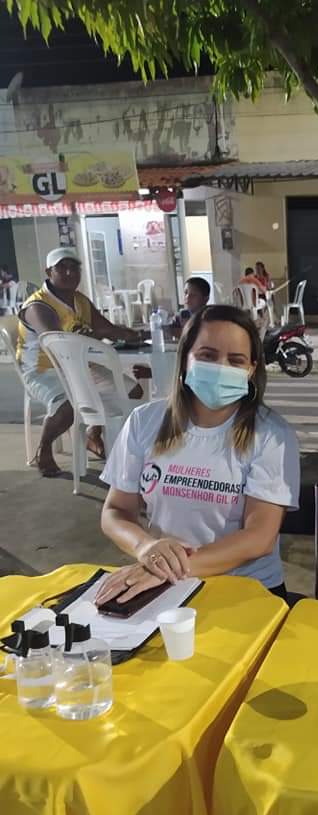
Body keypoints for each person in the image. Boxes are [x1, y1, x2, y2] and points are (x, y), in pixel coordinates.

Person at [95, 304, 300, 605]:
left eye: (236, 360)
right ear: (185, 359)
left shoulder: (272, 435)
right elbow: (115, 512)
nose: (220, 367)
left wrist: (171, 568)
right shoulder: (145, 422)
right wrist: (145, 548)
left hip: (246, 592)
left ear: (251, 369)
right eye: (207, 355)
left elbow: (260, 537)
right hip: (165, 584)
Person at [17, 247, 143, 477]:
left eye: (74, 268)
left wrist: (129, 333)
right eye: (62, 267)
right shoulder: (38, 306)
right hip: (43, 370)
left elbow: (105, 327)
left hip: (80, 365)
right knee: (71, 405)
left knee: (132, 391)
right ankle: (43, 450)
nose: (69, 273)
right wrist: (98, 337)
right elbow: (60, 344)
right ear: (48, 272)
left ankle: (93, 434)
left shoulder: (79, 300)